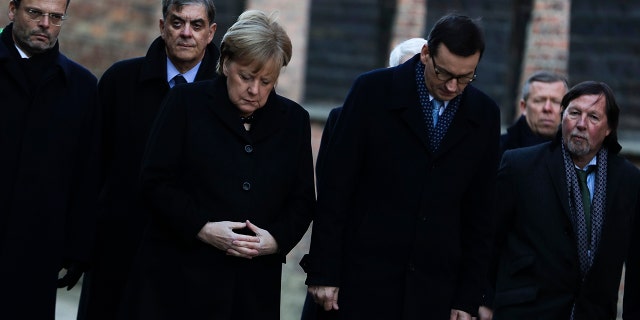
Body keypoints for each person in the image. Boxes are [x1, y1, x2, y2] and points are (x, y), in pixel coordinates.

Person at [117, 9, 315, 320]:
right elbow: (154, 181)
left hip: (251, 291)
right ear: (225, 64)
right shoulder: (186, 103)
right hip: (177, 282)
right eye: (246, 77)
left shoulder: (294, 121)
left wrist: (275, 240)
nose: (255, 90)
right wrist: (202, 228)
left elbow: (302, 201)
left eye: (267, 81)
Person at [304, 14, 501, 319]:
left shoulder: (484, 114)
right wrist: (323, 270)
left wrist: (468, 297)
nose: (452, 86)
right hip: (362, 281)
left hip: (433, 290)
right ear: (426, 54)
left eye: (465, 78)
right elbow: (336, 186)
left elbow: (480, 214)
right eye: (444, 73)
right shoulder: (372, 91)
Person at [77, 1, 219, 319]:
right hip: (118, 252)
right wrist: (82, 243)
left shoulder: (226, 95)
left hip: (191, 260)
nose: (185, 33)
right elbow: (91, 168)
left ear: (211, 33)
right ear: (161, 26)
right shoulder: (119, 82)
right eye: (176, 22)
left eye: (196, 26)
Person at [487, 81, 640, 319]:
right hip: (526, 310)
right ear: (563, 117)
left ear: (609, 128)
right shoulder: (520, 166)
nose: (580, 124)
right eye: (574, 113)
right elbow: (490, 238)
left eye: (593, 117)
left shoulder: (627, 179)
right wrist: (484, 300)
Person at [0, 0, 102, 318]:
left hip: (36, 255)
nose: (46, 23)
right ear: (12, 10)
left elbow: (87, 174)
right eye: (35, 13)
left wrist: (78, 248)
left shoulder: (82, 87)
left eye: (56, 16)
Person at [500, 70, 568, 156]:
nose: (547, 108)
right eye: (539, 101)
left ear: (566, 109)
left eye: (556, 102)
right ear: (523, 107)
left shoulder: (575, 153)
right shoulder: (497, 149)